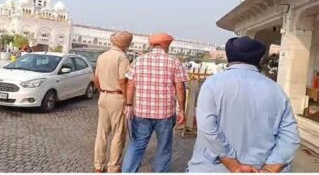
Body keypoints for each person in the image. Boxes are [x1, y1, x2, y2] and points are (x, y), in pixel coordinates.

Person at [186, 36, 300, 173]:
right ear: (259, 59)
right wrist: (270, 169)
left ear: (229, 57)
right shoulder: (276, 90)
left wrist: (234, 165)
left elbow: (207, 128)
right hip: (259, 167)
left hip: (212, 168)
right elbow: (290, 136)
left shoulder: (212, 84)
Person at [122, 32, 187, 172]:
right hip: (165, 114)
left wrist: (128, 105)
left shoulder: (139, 60)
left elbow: (130, 85)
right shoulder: (175, 62)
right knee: (164, 148)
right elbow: (180, 88)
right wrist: (181, 110)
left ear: (151, 44)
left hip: (141, 113)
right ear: (167, 46)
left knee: (137, 145)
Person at [93, 31, 133, 173]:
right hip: (117, 97)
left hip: (103, 95)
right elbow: (123, 81)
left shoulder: (102, 56)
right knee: (118, 133)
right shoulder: (122, 58)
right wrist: (128, 99)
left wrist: (102, 92)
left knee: (101, 132)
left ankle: (98, 165)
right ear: (126, 45)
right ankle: (113, 166)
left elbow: (96, 79)